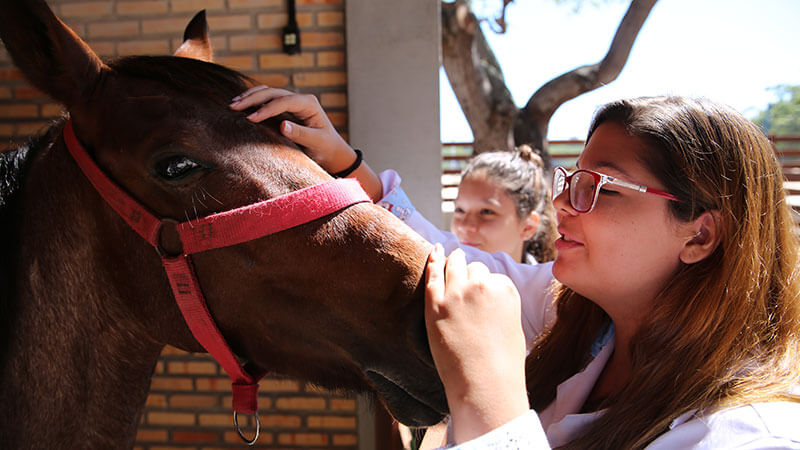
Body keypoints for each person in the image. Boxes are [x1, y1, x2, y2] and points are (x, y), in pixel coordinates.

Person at [230, 87, 800, 448]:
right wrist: (348, 166)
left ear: (700, 234)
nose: (559, 206)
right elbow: (444, 260)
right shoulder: (578, 319)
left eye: (597, 188)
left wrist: (489, 391)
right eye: (569, 181)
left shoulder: (747, 432)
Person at [451, 146, 557, 264]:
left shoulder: (549, 281)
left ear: (528, 227)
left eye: (486, 212)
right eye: (460, 210)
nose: (464, 226)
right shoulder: (435, 278)